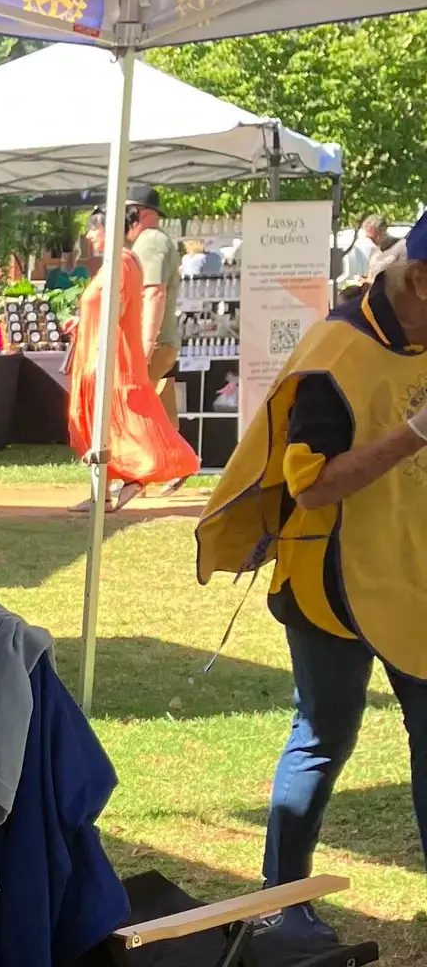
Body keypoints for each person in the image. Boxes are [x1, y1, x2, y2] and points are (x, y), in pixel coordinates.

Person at [197, 216, 427, 946]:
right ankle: (282, 900)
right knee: (325, 733)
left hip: (412, 570)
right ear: (419, 280)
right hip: (329, 581)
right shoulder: (333, 356)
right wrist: (418, 432)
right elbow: (316, 486)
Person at [64, 247, 200, 512]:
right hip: (103, 353)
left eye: (94, 228)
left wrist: (105, 351)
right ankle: (103, 491)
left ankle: (155, 467)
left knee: (127, 415)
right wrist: (82, 322)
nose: (90, 235)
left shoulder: (123, 261)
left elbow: (120, 307)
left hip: (111, 356)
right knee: (104, 420)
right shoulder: (114, 263)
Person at [127, 186, 182, 428]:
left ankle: (148, 465)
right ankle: (179, 465)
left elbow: (154, 293)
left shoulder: (149, 241)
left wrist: (145, 345)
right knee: (163, 416)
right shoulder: (157, 240)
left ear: (139, 212)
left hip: (154, 342)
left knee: (140, 414)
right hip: (162, 341)